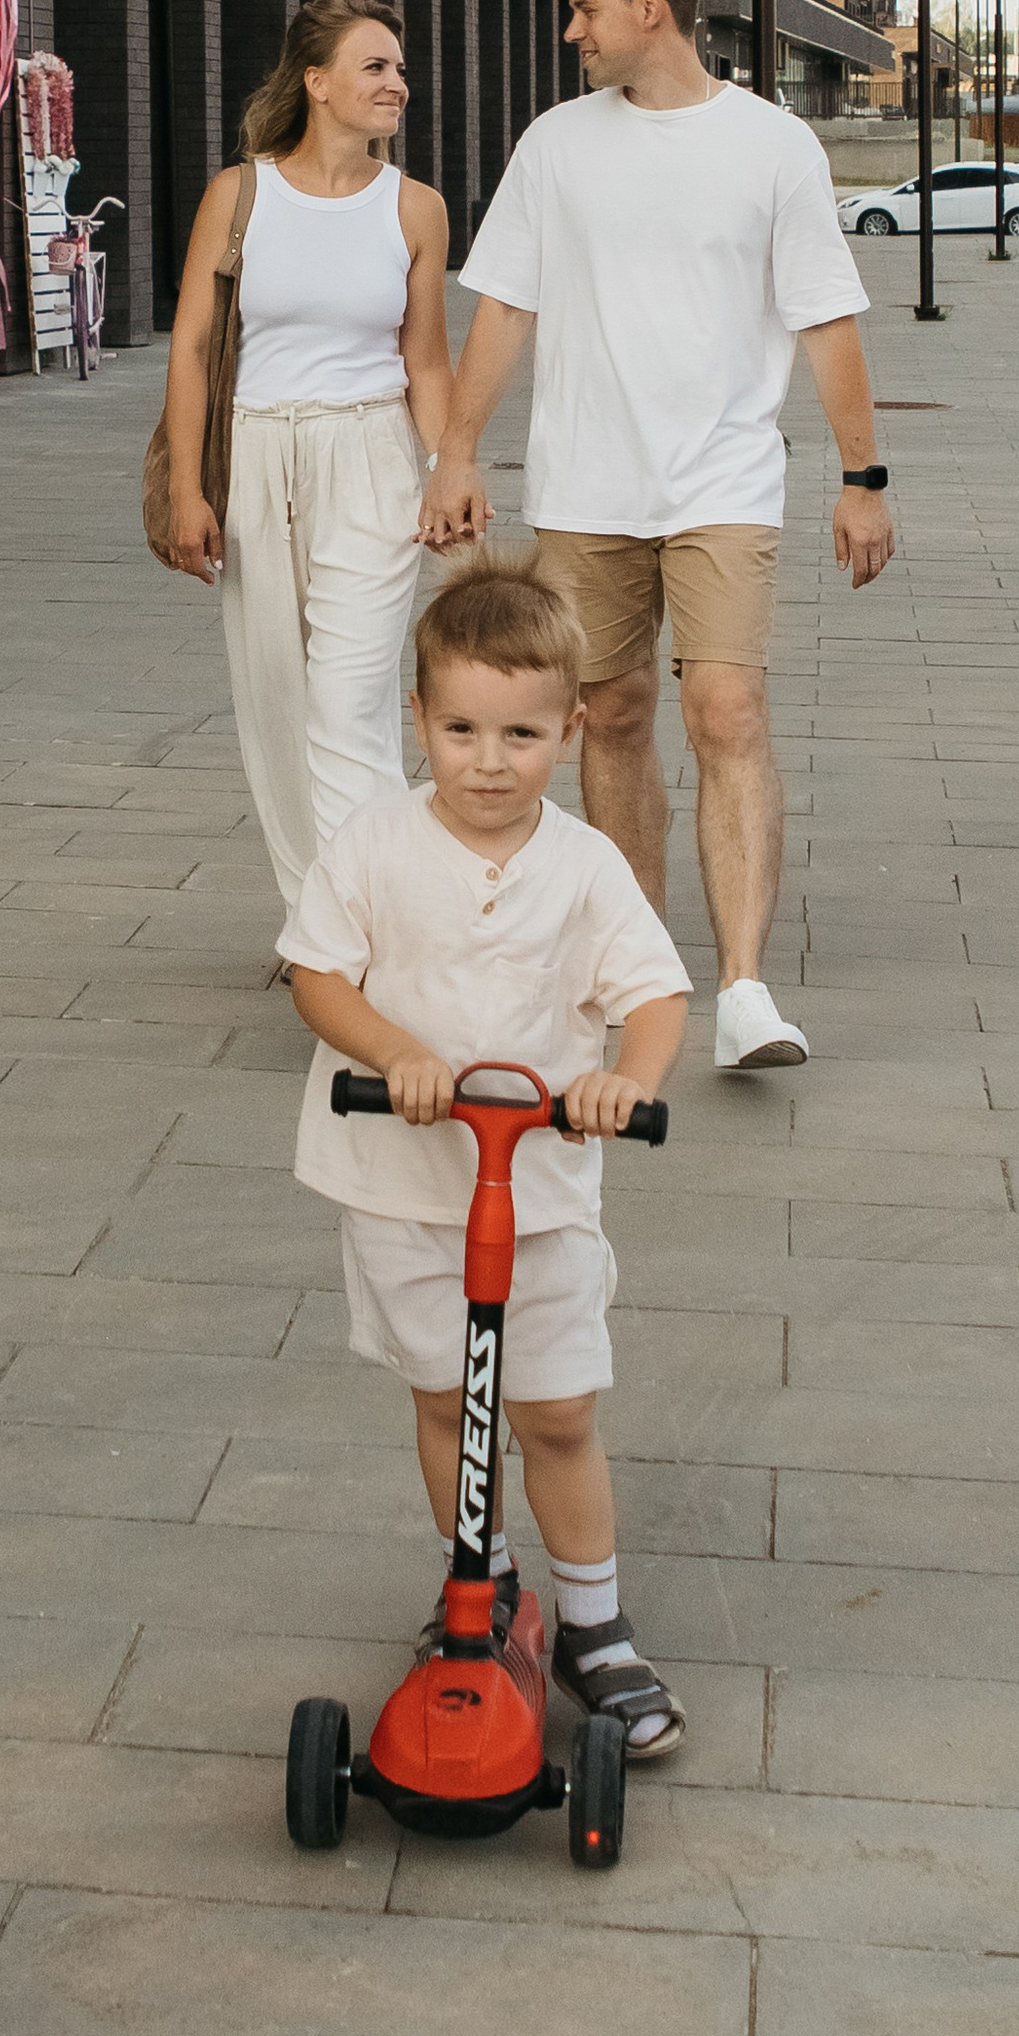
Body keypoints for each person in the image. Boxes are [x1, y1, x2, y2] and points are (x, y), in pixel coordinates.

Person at [421, 0, 894, 1072]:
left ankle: (740, 991)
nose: (569, 30)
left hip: (724, 483)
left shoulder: (774, 147)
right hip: (587, 485)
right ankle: (638, 968)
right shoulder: (554, 145)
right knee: (614, 715)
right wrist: (457, 450)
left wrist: (862, 476)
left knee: (725, 712)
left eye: (583, 8)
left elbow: (823, 319)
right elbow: (507, 309)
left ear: (651, 9)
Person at [283, 546, 692, 1755]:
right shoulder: (372, 845)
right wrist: (395, 1048)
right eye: (460, 730)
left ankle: (593, 1626)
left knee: (554, 1410)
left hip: (541, 1192)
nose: (488, 761)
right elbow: (316, 974)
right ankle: (481, 1584)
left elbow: (656, 994)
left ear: (567, 731)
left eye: (519, 736)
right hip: (404, 1189)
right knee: (445, 1400)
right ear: (418, 721)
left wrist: (626, 1080)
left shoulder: (584, 866)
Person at [161, 0, 453, 915]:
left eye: (400, 69)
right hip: (256, 457)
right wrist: (185, 488)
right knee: (277, 699)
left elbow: (426, 359)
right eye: (375, 67)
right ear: (317, 83)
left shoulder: (416, 208)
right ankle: (313, 906)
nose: (396, 83)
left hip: (373, 454)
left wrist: (454, 466)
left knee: (353, 698)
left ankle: (370, 917)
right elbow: (193, 346)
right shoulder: (239, 194)